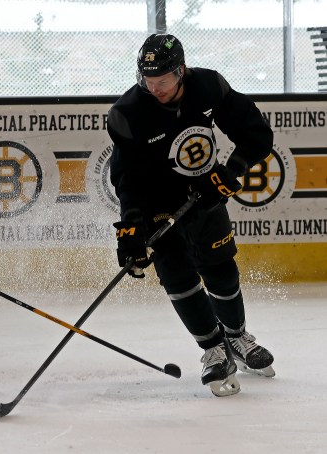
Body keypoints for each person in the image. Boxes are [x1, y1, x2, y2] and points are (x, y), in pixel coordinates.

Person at [107, 34, 275, 397]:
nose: (155, 89)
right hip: (158, 207)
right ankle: (213, 350)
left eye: (163, 81)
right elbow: (128, 178)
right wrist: (131, 229)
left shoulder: (208, 87)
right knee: (179, 278)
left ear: (180, 71)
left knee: (221, 269)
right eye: (147, 81)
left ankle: (237, 337)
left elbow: (257, 135)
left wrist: (231, 172)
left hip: (204, 195)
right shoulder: (127, 114)